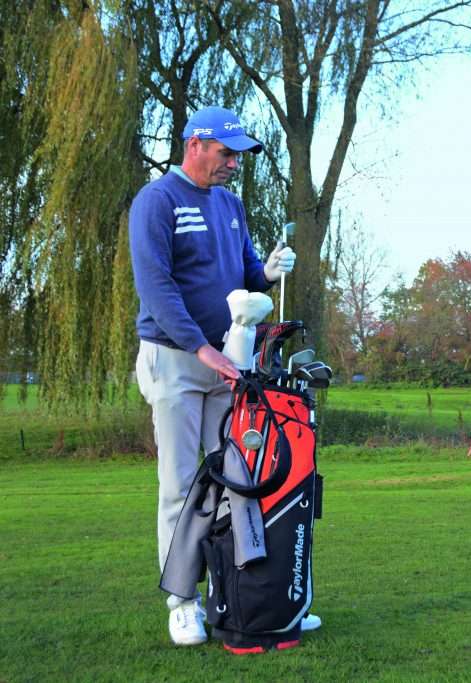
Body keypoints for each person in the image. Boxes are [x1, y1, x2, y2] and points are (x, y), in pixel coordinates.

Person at [129, 105, 319, 646]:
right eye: (227, 152)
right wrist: (200, 349)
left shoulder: (231, 204)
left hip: (229, 361)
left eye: (238, 154)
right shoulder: (157, 201)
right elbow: (157, 288)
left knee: (237, 480)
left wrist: (269, 271)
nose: (235, 163)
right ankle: (182, 601)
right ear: (195, 145)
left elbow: (244, 274)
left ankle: (239, 596)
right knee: (182, 482)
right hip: (176, 359)